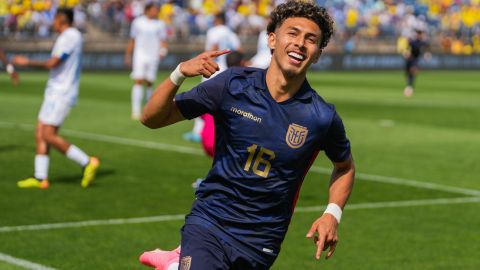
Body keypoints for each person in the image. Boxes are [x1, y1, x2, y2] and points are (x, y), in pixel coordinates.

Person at [140, 1, 355, 269]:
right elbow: (151, 119)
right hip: (209, 222)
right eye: (293, 33)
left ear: (318, 54)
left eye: (311, 39)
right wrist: (179, 73)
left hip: (261, 240)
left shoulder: (321, 116)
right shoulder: (232, 85)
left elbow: (344, 167)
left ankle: (175, 264)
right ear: (272, 40)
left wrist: (332, 214)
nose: (300, 43)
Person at [13, 8, 99, 189]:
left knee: (48, 134)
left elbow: (54, 62)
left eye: (54, 18)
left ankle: (87, 162)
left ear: (61, 19)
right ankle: (40, 177)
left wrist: (26, 62)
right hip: (54, 91)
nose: (52, 22)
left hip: (62, 92)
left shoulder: (71, 36)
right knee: (40, 132)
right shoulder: (66, 36)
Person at [183, 11, 242, 143]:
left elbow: (213, 49)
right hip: (225, 70)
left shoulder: (213, 31)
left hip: (211, 68)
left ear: (217, 19)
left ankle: (198, 132)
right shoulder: (231, 33)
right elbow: (239, 50)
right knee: (222, 102)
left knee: (202, 98)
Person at [125, 3, 168, 120]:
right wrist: (128, 55)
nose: (156, 11)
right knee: (138, 80)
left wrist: (163, 50)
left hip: (153, 56)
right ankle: (135, 111)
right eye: (154, 9)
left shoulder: (160, 24)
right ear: (147, 10)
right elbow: (132, 39)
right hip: (140, 55)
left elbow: (163, 40)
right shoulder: (138, 22)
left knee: (149, 82)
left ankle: (148, 109)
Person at [403, 29, 430, 97]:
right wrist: (406, 52)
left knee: (413, 71)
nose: (420, 35)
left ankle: (410, 87)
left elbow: (427, 47)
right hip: (409, 59)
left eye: (420, 34)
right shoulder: (413, 42)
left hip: (415, 59)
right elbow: (407, 48)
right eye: (418, 34)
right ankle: (409, 85)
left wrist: (427, 53)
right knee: (408, 73)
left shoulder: (422, 42)